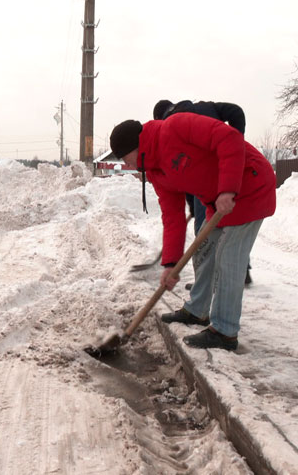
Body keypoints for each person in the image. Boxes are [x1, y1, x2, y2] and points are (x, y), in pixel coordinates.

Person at [109, 114, 276, 350]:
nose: (128, 166)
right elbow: (173, 217)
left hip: (249, 186)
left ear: (137, 147)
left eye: (127, 159)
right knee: (204, 251)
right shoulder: (156, 171)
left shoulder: (175, 128)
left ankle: (224, 331)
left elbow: (230, 138)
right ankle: (197, 311)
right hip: (216, 202)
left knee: (228, 259)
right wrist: (170, 265)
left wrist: (228, 189)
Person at [153, 99, 253, 285]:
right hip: (226, 172)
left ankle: (203, 281)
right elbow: (236, 111)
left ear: (158, 119)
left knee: (203, 231)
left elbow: (186, 174)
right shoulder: (202, 106)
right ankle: (243, 271)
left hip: (209, 178)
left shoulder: (170, 126)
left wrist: (192, 204)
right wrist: (237, 143)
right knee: (231, 223)